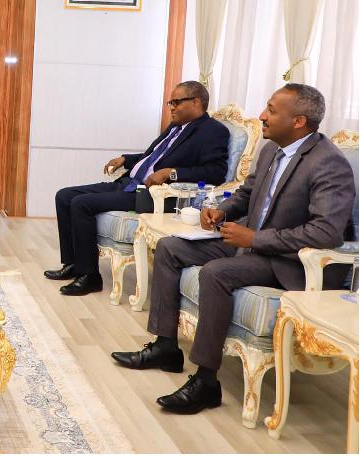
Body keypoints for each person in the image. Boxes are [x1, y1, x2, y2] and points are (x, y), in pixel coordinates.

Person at [110, 84, 355, 414]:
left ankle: (206, 382)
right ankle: (166, 347)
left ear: (298, 122)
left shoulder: (329, 163)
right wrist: (222, 211)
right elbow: (246, 193)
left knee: (216, 274)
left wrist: (255, 240)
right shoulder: (271, 150)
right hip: (251, 243)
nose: (262, 116)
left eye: (271, 110)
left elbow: (325, 232)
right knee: (169, 248)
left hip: (289, 261)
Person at [45, 81, 231, 296]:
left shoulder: (213, 131)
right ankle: (73, 264)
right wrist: (126, 159)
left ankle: (90, 277)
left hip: (152, 195)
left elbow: (215, 171)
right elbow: (151, 158)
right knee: (64, 196)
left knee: (81, 203)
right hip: (129, 184)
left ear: (196, 102)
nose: (171, 107)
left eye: (176, 102)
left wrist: (171, 173)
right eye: (170, 103)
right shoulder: (175, 127)